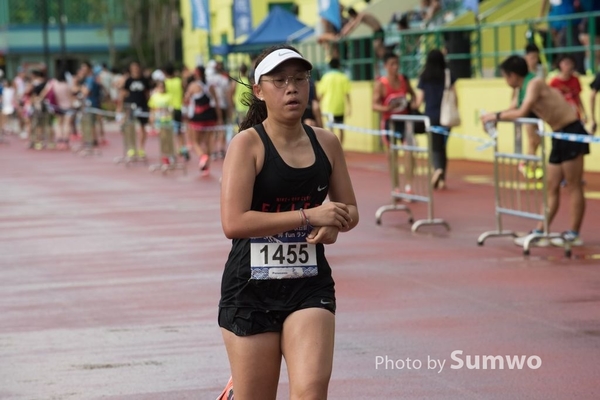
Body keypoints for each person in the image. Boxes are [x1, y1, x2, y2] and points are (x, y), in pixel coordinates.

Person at [218, 44, 359, 400]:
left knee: (311, 392)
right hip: (249, 289)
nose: (291, 88)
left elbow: (350, 209)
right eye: (279, 81)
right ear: (259, 92)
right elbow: (233, 222)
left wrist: (335, 223)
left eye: (299, 79)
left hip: (309, 285)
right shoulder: (246, 146)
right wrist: (309, 215)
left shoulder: (326, 143)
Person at [481, 55, 590, 247]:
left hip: (571, 131)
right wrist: (491, 117)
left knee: (573, 185)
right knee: (551, 185)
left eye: (505, 76)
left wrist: (495, 116)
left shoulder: (535, 83)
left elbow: (521, 112)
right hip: (558, 134)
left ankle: (574, 233)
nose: (505, 81)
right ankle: (541, 230)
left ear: (513, 75)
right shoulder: (522, 89)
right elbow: (513, 109)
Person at [372, 51, 417, 195]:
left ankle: (409, 186)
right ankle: (396, 187)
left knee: (409, 152)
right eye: (392, 64)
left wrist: (413, 104)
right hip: (389, 123)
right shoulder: (381, 84)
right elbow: (374, 105)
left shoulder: (404, 80)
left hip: (404, 121)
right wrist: (387, 108)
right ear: (385, 66)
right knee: (392, 155)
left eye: (397, 64)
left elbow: (414, 95)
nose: (396, 67)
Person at [414, 49, 458, 190]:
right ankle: (442, 178)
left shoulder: (424, 76)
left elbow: (419, 99)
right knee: (443, 147)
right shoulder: (448, 75)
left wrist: (412, 106)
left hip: (430, 116)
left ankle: (437, 169)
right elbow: (454, 96)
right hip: (446, 116)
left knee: (434, 146)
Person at [510, 43, 545, 179]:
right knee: (533, 139)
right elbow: (516, 92)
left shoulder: (541, 70)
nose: (534, 60)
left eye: (536, 57)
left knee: (537, 140)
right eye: (531, 57)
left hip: (538, 110)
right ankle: (528, 164)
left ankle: (528, 163)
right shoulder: (522, 73)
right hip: (526, 110)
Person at [183, 65, 222, 175]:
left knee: (195, 141)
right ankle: (206, 165)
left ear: (196, 74)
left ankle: (203, 156)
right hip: (210, 115)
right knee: (208, 140)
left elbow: (186, 99)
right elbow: (216, 102)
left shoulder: (193, 86)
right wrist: (219, 117)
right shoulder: (210, 86)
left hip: (198, 117)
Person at [119, 61, 151, 158]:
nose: (135, 69)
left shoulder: (144, 80)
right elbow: (123, 93)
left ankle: (141, 148)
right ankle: (131, 148)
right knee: (130, 127)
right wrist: (120, 107)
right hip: (131, 106)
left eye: (136, 67)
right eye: (133, 68)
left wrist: (149, 106)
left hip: (142, 106)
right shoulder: (128, 80)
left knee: (142, 127)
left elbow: (147, 93)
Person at [317, 58, 351, 144]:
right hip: (340, 107)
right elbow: (347, 94)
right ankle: (341, 148)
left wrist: (318, 105)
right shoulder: (343, 77)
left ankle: (331, 148)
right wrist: (349, 107)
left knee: (330, 130)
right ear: (339, 66)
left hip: (329, 107)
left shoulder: (325, 77)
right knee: (341, 129)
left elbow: (321, 94)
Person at [38, 69, 75, 150]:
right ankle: (65, 141)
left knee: (58, 124)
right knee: (66, 124)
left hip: (56, 107)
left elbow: (44, 93)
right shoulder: (67, 84)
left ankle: (59, 141)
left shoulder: (52, 83)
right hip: (68, 107)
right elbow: (71, 96)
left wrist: (40, 101)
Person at [163, 63, 189, 160]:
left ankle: (171, 152)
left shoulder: (165, 82)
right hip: (178, 108)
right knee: (179, 131)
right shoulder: (179, 81)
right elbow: (184, 91)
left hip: (168, 109)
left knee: (168, 132)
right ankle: (183, 148)